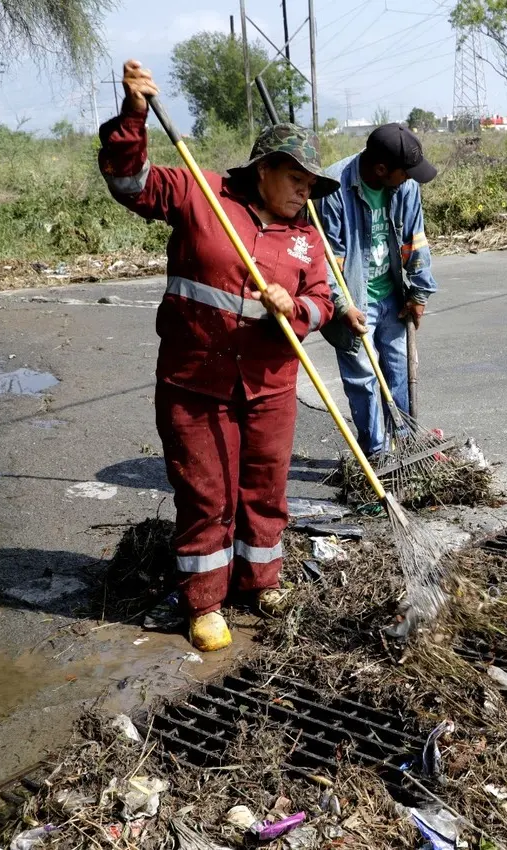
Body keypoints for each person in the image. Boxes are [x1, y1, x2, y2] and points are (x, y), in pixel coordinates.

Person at [98, 60, 336, 652]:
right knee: (207, 493)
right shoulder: (199, 194)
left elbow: (323, 301)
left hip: (271, 385)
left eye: (312, 184)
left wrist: (296, 308)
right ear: (265, 170)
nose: (306, 192)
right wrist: (133, 115)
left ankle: (262, 580)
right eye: (298, 179)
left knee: (265, 487)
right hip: (195, 380)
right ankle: (205, 602)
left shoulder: (307, 236)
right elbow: (129, 182)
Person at [317, 125, 438, 462]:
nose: (410, 179)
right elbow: (326, 260)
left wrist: (418, 293)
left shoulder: (407, 186)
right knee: (365, 379)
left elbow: (416, 242)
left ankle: (406, 445)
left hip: (393, 296)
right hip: (354, 300)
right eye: (405, 172)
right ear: (381, 169)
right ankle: (378, 455)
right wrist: (342, 306)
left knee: (399, 371)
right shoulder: (332, 187)